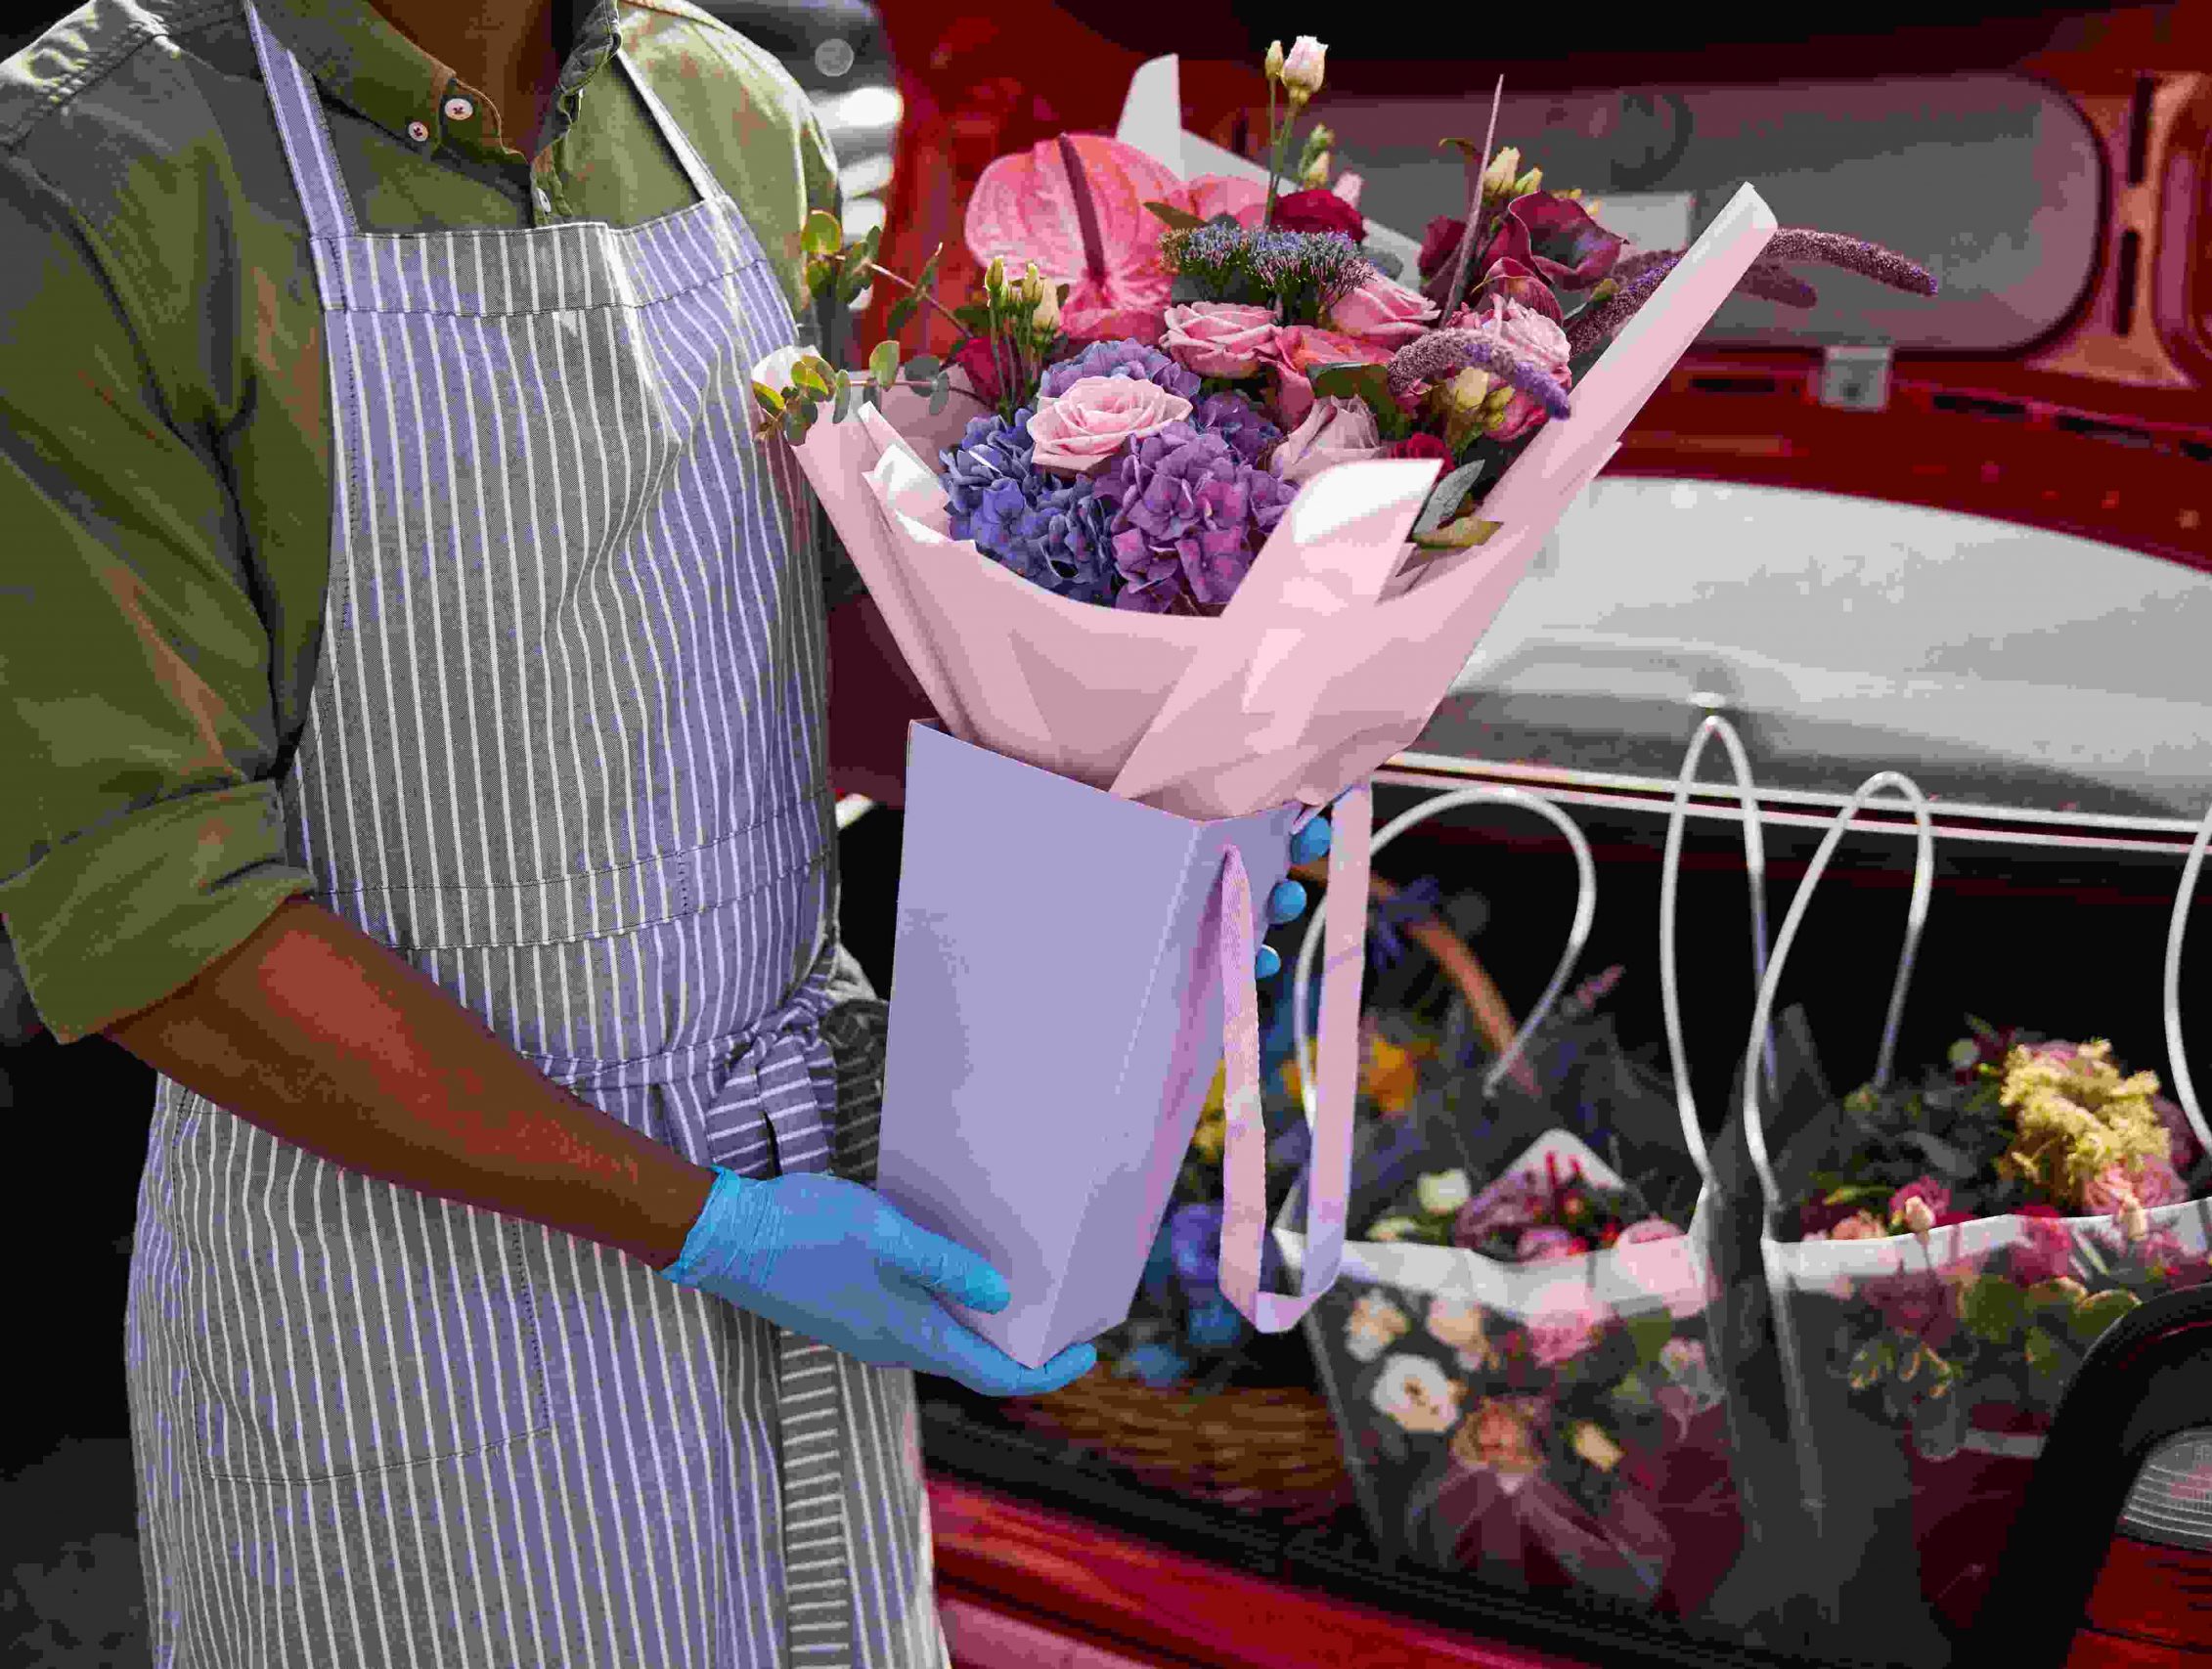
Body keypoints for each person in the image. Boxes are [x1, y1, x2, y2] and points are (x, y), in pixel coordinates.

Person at [0, 2, 1328, 1663]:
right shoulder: (94, 174)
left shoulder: (730, 112)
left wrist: (1160, 791)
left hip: (804, 1243)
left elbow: (791, 658)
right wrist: (702, 1225)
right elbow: (154, 918)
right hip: (410, 1328)